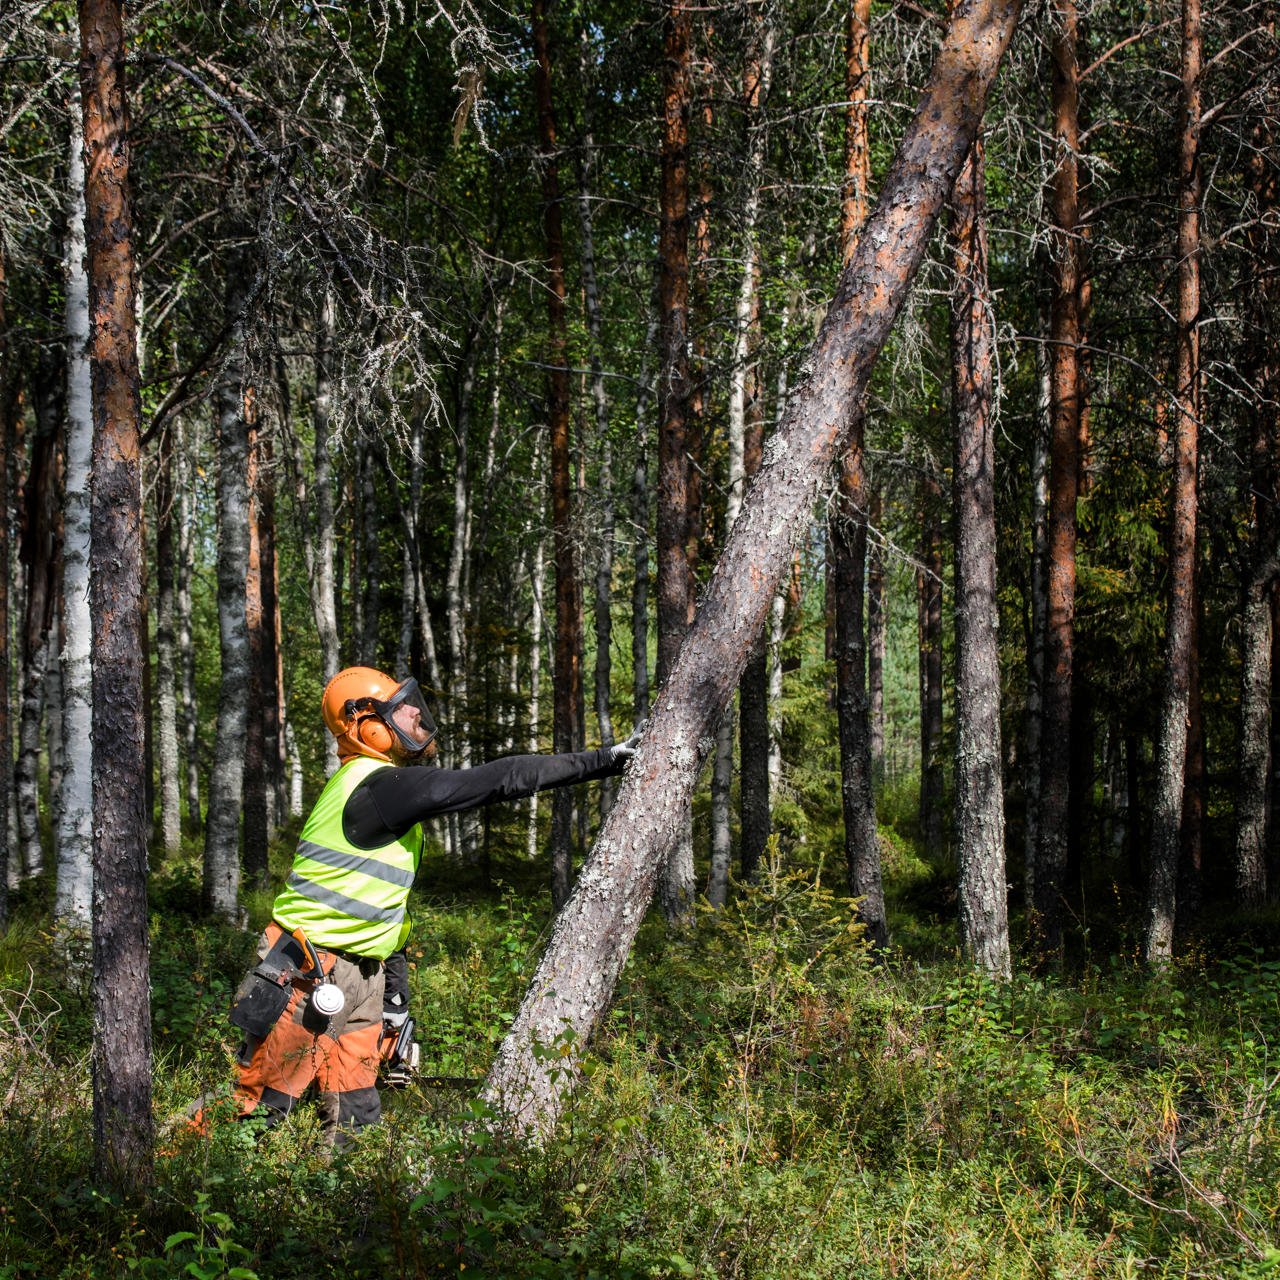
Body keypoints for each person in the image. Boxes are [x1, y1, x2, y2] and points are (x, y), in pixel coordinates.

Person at [198, 664, 639, 1146]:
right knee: (256, 1107)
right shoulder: (378, 789)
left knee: (355, 1115)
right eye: (398, 708)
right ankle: (159, 1183)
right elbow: (502, 778)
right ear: (364, 724)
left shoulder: (379, 789)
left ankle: (342, 1212)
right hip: (305, 972)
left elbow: (384, 914)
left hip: (361, 974)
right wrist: (603, 760)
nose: (413, 714)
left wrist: (393, 1000)